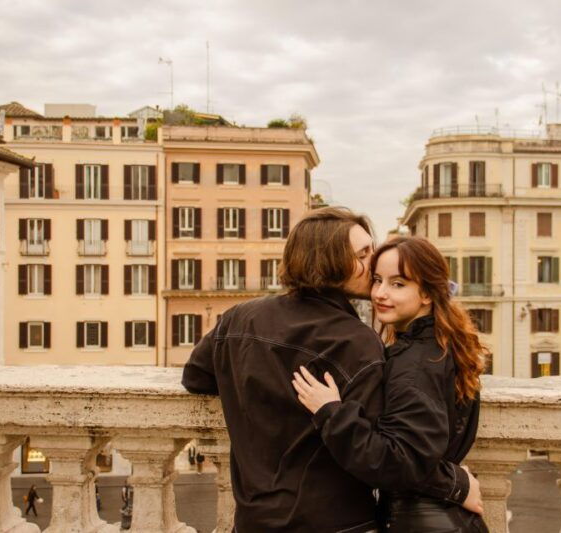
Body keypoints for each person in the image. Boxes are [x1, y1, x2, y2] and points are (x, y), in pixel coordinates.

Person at [182, 208, 473, 532]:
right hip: (339, 523)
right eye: (363, 254)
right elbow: (389, 455)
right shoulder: (357, 343)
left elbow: (196, 377)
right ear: (330, 261)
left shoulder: (240, 317)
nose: (373, 260)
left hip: (254, 521)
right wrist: (454, 484)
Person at [293, 236, 488, 532]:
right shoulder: (440, 346)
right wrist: (456, 484)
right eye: (377, 280)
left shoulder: (414, 364)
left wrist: (331, 411)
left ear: (426, 293)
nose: (380, 293)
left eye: (398, 284)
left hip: (423, 522)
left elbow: (400, 462)